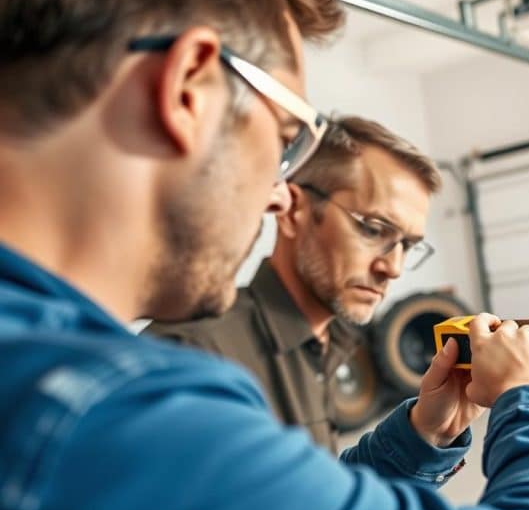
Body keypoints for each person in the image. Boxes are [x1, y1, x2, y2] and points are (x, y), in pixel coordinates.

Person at [0, 0, 529, 510]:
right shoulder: (118, 408)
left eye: (407, 245)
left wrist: (420, 437)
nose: (276, 194)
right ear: (188, 87)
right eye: (281, 143)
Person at [146, 116, 444, 452]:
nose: (393, 268)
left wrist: (425, 432)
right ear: (292, 211)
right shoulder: (192, 356)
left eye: (409, 245)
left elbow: (318, 500)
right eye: (373, 230)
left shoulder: (329, 343)